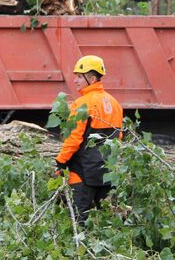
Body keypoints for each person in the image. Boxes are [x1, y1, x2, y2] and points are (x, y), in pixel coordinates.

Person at [54, 55, 123, 223]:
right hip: (107, 173)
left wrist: (60, 163)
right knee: (107, 222)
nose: (75, 80)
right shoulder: (115, 103)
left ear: (91, 79)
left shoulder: (82, 104)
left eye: (79, 76)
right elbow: (118, 138)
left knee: (79, 221)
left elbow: (73, 138)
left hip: (82, 173)